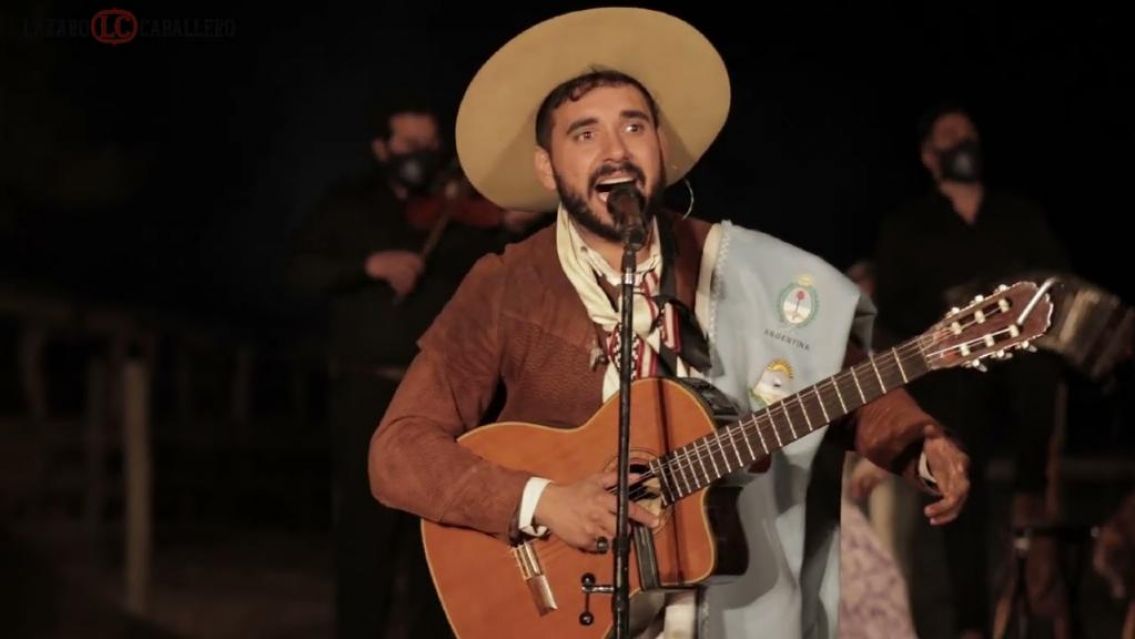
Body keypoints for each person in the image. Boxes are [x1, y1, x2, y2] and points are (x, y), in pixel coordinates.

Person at [368, 8, 972, 638]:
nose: (615, 151)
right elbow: (398, 451)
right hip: (570, 604)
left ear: (661, 147)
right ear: (547, 167)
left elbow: (838, 376)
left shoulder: (739, 269)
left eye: (634, 126)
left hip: (733, 608)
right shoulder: (507, 283)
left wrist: (921, 443)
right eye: (584, 134)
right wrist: (542, 500)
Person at [286, 91, 522, 638]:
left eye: (430, 144)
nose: (422, 153)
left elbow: (508, 254)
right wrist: (369, 264)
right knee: (365, 535)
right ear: (381, 147)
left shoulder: (460, 212)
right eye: (409, 144)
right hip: (367, 393)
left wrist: (512, 217)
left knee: (438, 537)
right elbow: (300, 269)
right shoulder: (346, 204)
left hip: (449, 402)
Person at [872, 103, 1072, 638]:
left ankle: (1033, 493)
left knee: (1041, 374)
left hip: (1019, 366)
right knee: (957, 439)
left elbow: (1055, 285)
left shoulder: (1017, 215)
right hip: (951, 373)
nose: (964, 142)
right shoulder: (908, 224)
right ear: (929, 155)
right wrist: (950, 330)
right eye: (951, 135)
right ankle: (971, 624)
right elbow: (893, 305)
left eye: (971, 134)